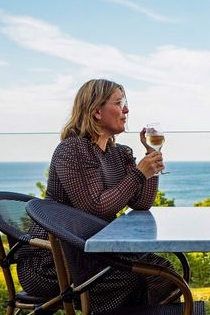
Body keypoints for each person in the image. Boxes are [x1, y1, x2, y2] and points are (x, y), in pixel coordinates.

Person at [17, 79, 175, 313]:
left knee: (163, 271)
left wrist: (151, 160)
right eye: (119, 103)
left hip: (94, 251)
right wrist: (139, 173)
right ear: (96, 112)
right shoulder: (73, 150)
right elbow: (95, 206)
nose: (127, 110)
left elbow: (141, 203)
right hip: (54, 260)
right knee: (143, 278)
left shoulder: (119, 152)